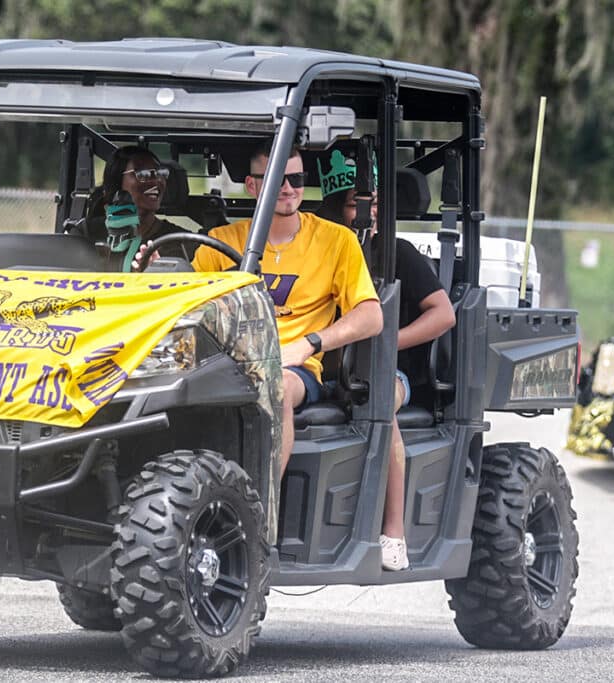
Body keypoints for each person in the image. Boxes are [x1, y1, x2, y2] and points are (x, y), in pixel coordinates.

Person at [165, 144, 383, 541]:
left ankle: (255, 522)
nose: (288, 188)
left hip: (294, 366)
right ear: (251, 186)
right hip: (224, 362)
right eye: (275, 179)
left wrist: (311, 343)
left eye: (296, 179)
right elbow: (184, 305)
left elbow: (371, 315)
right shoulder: (220, 241)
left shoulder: (336, 241)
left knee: (275, 387)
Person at [316, 149, 456, 570]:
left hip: (388, 372)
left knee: (379, 399)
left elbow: (444, 314)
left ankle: (393, 532)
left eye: (375, 203)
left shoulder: (396, 251)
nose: (368, 212)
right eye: (357, 204)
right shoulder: (322, 250)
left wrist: (388, 342)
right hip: (322, 368)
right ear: (336, 209)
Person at [80, 146, 195, 261]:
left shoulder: (182, 243)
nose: (157, 180)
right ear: (116, 183)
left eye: (161, 173)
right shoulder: (85, 233)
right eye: (143, 174)